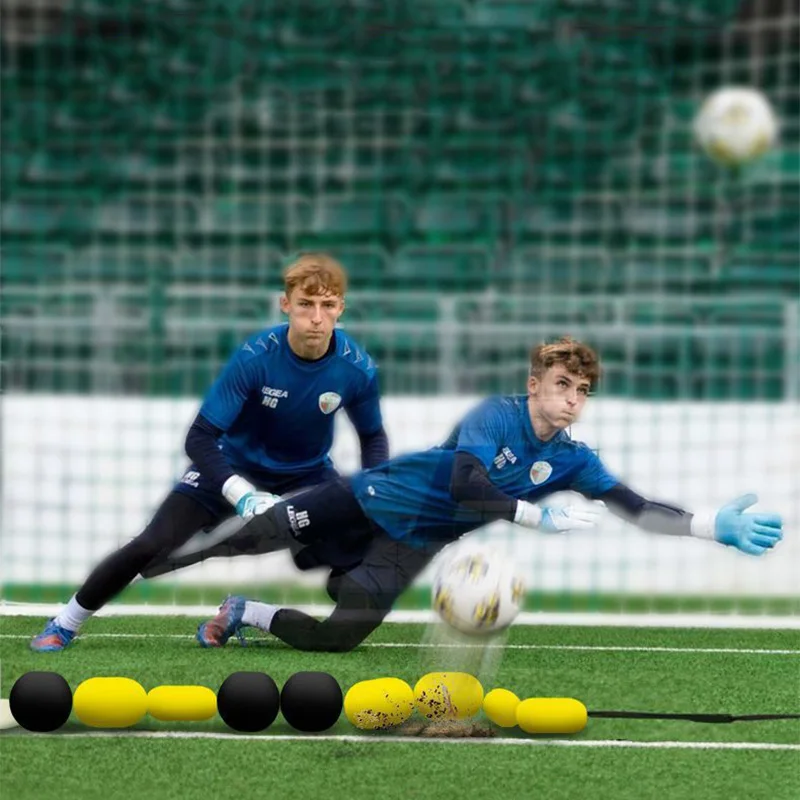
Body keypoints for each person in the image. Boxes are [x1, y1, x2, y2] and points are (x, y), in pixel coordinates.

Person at [187, 336, 783, 653]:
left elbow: (637, 508)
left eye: (582, 391)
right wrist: (535, 519)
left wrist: (709, 525)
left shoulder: (574, 459)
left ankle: (246, 612)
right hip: (374, 499)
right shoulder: (495, 415)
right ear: (535, 385)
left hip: (414, 541)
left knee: (339, 639)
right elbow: (466, 482)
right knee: (259, 537)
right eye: (562, 384)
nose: (572, 398)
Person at [30, 253, 390, 651]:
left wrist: (374, 493)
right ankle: (64, 623)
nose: (317, 318)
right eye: (305, 304)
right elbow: (199, 438)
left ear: (341, 308)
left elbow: (373, 437)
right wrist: (241, 493)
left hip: (308, 473)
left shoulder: (357, 369)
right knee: (151, 545)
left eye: (327, 305)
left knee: (368, 552)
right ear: (285, 304)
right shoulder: (256, 358)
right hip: (231, 467)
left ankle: (245, 612)